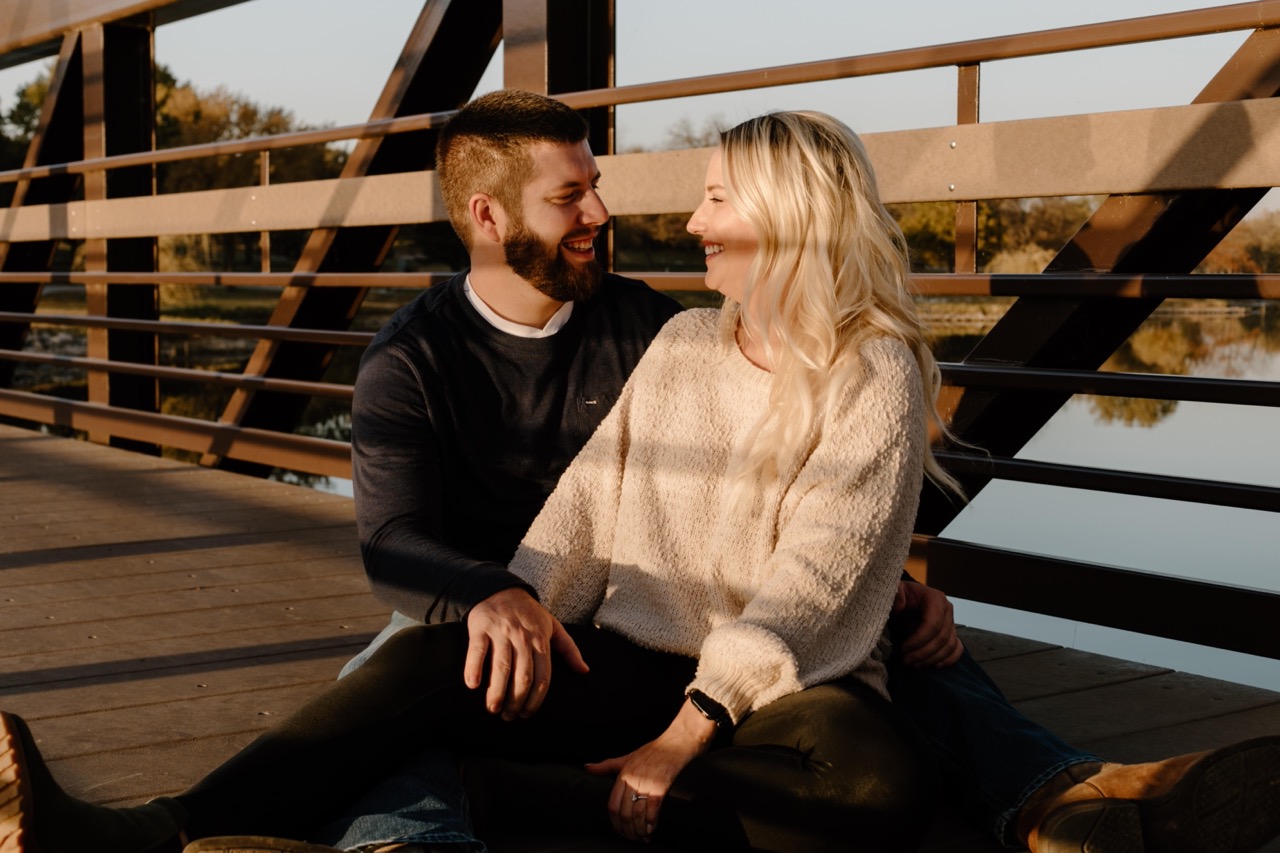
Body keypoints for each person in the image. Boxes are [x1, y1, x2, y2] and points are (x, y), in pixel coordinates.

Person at [2, 91, 1278, 853]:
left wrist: (678, 738)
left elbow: (809, 586)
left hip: (766, 685)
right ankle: (141, 833)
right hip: (610, 642)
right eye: (591, 194)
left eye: (713, 198)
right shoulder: (632, 343)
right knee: (410, 667)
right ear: (491, 218)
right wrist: (515, 622)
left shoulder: (869, 365)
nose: (676, 219)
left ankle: (495, 804)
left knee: (871, 777)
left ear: (782, 217)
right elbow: (574, 519)